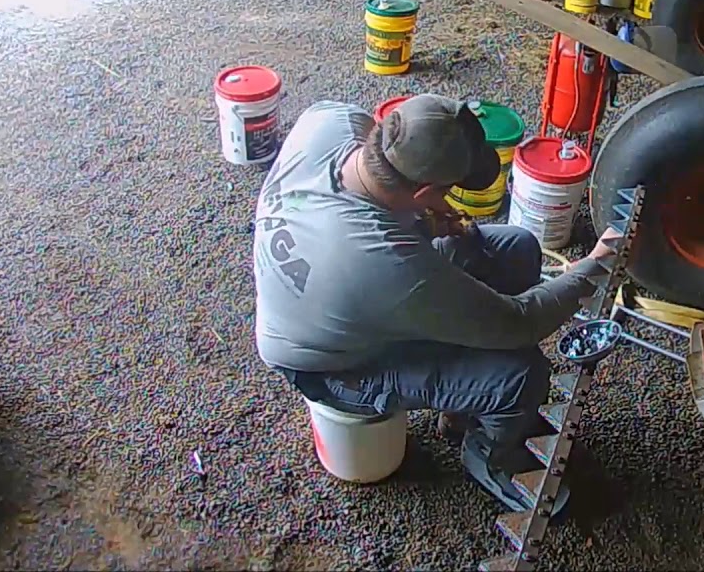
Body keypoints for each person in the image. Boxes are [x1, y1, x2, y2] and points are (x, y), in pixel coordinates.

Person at [254, 96, 618, 512]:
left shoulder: (330, 122)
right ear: (425, 189)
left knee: (513, 248)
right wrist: (595, 265)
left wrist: (421, 219)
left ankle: (463, 407)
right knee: (519, 375)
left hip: (332, 298)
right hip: (332, 366)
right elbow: (521, 322)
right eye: (444, 191)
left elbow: (367, 216)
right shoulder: (383, 262)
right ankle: (492, 458)